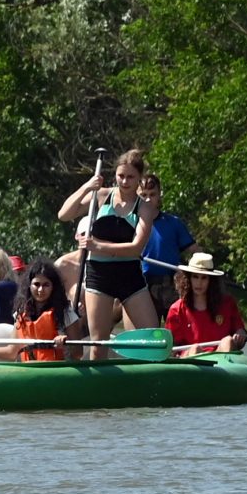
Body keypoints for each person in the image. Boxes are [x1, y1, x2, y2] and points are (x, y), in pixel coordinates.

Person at [58, 148, 158, 348]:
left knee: (154, 338)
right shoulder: (102, 196)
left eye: (130, 177)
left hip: (129, 275)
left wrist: (97, 246)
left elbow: (136, 248)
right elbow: (64, 214)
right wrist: (87, 187)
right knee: (98, 343)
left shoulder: (145, 208)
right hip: (99, 275)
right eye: (121, 176)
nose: (125, 181)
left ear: (139, 178)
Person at [133, 170, 194, 312]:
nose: (148, 199)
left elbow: (195, 251)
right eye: (143, 195)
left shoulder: (174, 223)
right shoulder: (131, 223)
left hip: (172, 284)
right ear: (136, 195)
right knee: (147, 326)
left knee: (175, 325)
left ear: (159, 194)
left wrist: (196, 271)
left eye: (152, 194)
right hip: (142, 284)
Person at [163, 251, 247, 352]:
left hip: (221, 355)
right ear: (188, 279)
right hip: (190, 357)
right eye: (195, 277)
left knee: (228, 341)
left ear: (211, 281)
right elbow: (171, 348)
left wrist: (240, 333)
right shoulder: (176, 310)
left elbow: (239, 329)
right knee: (195, 348)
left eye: (204, 278)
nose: (199, 283)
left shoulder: (227, 303)